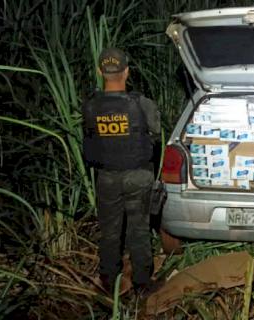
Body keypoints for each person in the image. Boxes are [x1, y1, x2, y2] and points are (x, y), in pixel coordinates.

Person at [82, 47, 161, 295]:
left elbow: (89, 137)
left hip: (106, 177)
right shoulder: (142, 104)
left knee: (109, 231)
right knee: (139, 229)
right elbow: (157, 134)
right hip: (138, 175)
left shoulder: (90, 106)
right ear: (126, 72)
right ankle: (142, 284)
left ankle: (109, 282)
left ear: (99, 72)